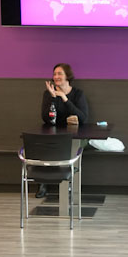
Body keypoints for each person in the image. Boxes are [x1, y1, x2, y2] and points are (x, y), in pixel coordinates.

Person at [35, 63, 89, 198]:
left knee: (69, 147)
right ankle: (43, 183)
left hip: (75, 135)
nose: (56, 76)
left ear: (67, 76)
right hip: (54, 133)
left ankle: (69, 183)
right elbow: (46, 118)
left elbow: (83, 118)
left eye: (60, 74)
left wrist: (64, 98)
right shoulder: (48, 94)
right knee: (44, 145)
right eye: (54, 74)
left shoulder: (78, 94)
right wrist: (53, 98)